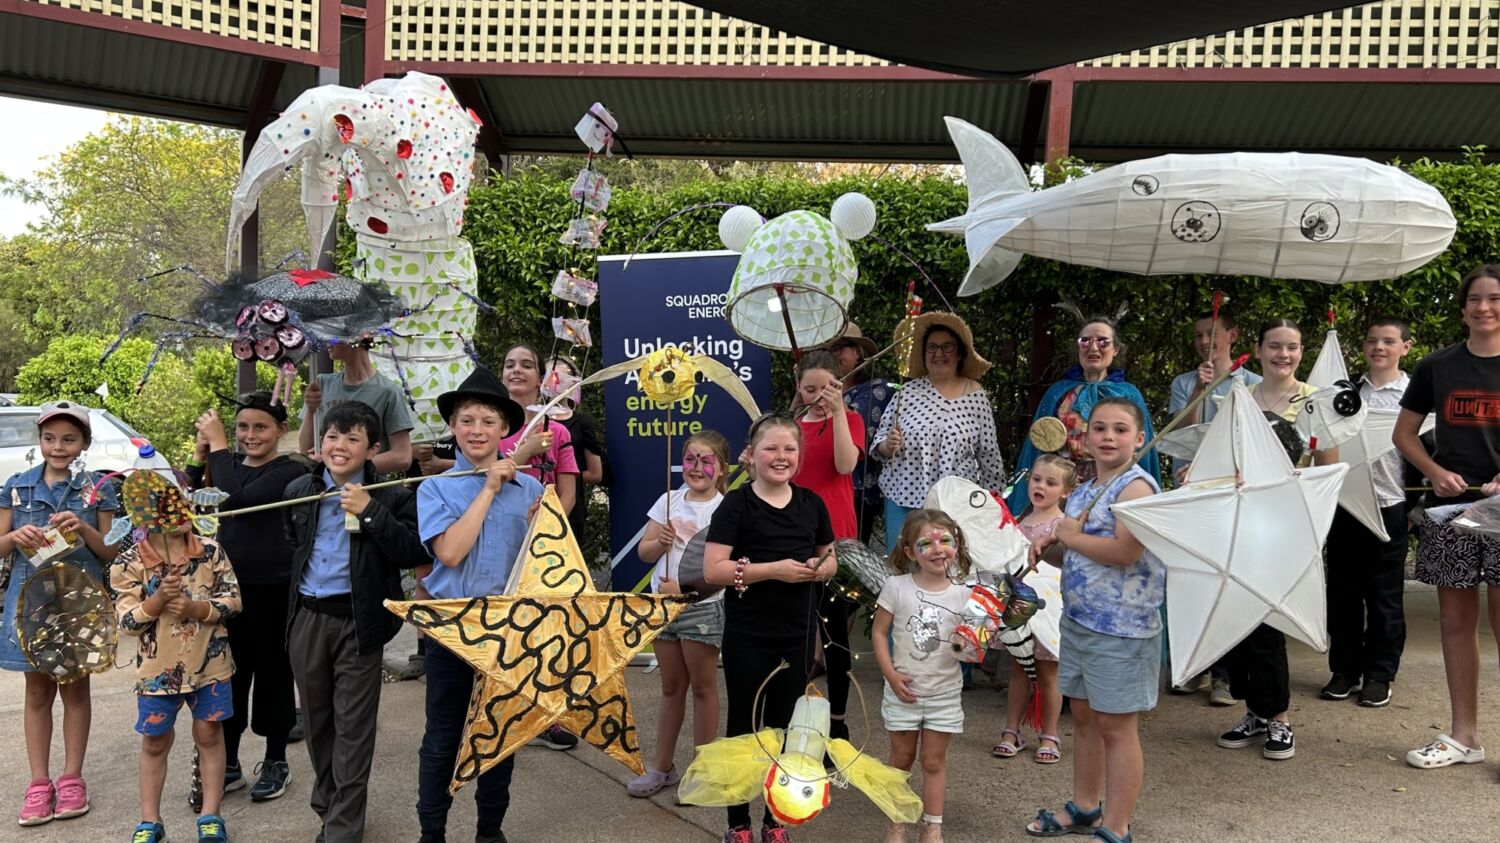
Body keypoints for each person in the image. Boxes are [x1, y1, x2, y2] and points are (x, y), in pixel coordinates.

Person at [283, 400, 426, 842]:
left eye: (352, 438)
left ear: (372, 448)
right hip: (308, 618)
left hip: (359, 622)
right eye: (332, 436)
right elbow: (293, 540)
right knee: (319, 723)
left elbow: (413, 552)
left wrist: (370, 511)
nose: (339, 446)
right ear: (320, 443)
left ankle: (343, 828)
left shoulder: (392, 496)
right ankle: (330, 804)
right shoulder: (299, 492)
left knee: (354, 727)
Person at [415, 367, 543, 843]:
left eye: (488, 421)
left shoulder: (530, 490)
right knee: (444, 737)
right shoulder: (435, 489)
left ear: (505, 430)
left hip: (509, 630)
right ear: (453, 427)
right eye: (467, 420)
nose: (476, 430)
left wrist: (541, 528)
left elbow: (540, 566)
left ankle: (490, 831)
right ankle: (433, 831)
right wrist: (488, 488)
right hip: (454, 627)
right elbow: (448, 553)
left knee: (500, 735)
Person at [1025, 398, 1162, 843]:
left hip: (1121, 630)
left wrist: (1070, 536)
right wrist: (1053, 547)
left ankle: (1116, 826)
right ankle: (1085, 807)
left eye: (1121, 430)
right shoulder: (1085, 489)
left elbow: (1125, 552)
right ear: (1084, 439)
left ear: (1139, 440)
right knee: (1083, 718)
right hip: (1081, 622)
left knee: (1116, 727)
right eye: (1100, 428)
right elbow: (1078, 553)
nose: (1108, 437)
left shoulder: (1136, 490)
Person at [704, 415, 836, 843]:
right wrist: (773, 570)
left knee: (785, 729)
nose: (781, 457)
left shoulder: (812, 504)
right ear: (753, 454)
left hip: (795, 634)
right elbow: (715, 569)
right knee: (744, 725)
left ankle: (774, 821)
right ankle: (737, 822)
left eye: (789, 449)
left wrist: (821, 569)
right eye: (771, 449)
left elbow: (830, 557)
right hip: (748, 635)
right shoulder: (736, 505)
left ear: (800, 455)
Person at [1217, 319, 1339, 762]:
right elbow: (1224, 457)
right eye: (1274, 346)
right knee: (1240, 620)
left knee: (1268, 624)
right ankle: (1253, 711)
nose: (1282, 355)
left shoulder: (1314, 401)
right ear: (1259, 349)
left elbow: (1328, 468)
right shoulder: (1240, 398)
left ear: (1301, 352)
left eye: (1291, 347)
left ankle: (1279, 718)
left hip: (1286, 528)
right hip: (1240, 524)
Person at [1396, 265, 1500, 771]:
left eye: (1495, 298)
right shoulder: (1437, 366)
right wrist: (1433, 471)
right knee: (1456, 622)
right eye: (1475, 299)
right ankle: (1465, 737)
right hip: (1450, 511)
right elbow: (1404, 435)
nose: (1484, 308)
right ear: (1462, 308)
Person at [0, 402, 119, 826]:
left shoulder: (98, 489)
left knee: (75, 689)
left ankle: (71, 778)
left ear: (84, 443)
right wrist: (14, 536)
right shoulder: (17, 487)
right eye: (50, 438)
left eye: (69, 438)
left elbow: (110, 550)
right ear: (40, 440)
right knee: (36, 694)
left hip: (79, 603)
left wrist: (85, 529)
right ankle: (37, 782)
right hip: (29, 603)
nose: (58, 446)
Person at [187, 395, 307, 803]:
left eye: (260, 428)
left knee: (274, 673)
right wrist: (200, 454)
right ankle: (230, 761)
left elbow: (239, 500)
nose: (249, 435)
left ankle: (276, 760)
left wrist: (219, 446)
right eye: (242, 428)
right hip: (227, 590)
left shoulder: (289, 471)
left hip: (274, 589)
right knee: (229, 676)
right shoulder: (227, 467)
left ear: (281, 432)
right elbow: (188, 499)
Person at [113, 483, 242, 843]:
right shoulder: (130, 562)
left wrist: (195, 608)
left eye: (184, 503)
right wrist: (155, 602)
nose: (180, 513)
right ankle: (150, 820)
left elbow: (233, 601)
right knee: (154, 741)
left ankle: (211, 814)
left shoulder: (211, 551)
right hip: (157, 674)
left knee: (209, 734)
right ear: (147, 517)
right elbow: (126, 622)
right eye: (168, 507)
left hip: (210, 667)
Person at [627, 431, 730, 798]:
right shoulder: (668, 501)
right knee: (671, 688)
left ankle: (702, 770)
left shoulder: (725, 509)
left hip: (701, 608)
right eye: (690, 459)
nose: (697, 467)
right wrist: (660, 542)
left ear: (721, 469)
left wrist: (685, 590)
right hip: (662, 609)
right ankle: (662, 767)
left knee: (703, 687)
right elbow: (644, 553)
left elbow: (723, 570)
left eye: (706, 461)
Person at [1165, 310, 1258, 703]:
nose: (1206, 341)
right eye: (1199, 335)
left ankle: (1225, 674)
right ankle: (1194, 666)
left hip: (1233, 494)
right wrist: (1196, 393)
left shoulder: (1253, 383)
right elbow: (1179, 431)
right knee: (1193, 578)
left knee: (1228, 580)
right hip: (1191, 491)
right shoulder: (1184, 382)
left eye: (1213, 333)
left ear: (1232, 335)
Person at [1320, 318, 1413, 709]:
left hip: (1390, 506)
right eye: (1372, 340)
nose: (1379, 347)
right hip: (1345, 507)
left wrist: (1418, 510)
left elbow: (1431, 451)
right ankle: (1344, 670)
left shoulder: (1414, 395)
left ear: (1405, 347)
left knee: (1384, 597)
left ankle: (1379, 674)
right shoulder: (1347, 391)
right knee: (1343, 594)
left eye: (1388, 341)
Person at [873, 509, 973, 843]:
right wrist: (889, 674)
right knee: (900, 760)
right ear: (908, 551)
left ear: (956, 542)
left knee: (933, 761)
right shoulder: (896, 586)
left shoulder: (965, 593)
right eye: (925, 543)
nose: (937, 549)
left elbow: (975, 643)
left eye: (945, 540)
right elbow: (878, 632)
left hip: (944, 693)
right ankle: (896, 822)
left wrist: (974, 642)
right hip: (903, 691)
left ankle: (932, 825)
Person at [873, 312, 1005, 554]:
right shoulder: (908, 392)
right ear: (923, 355)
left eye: (947, 347)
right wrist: (887, 445)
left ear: (960, 353)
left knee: (947, 567)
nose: (938, 353)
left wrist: (994, 502)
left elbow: (988, 453)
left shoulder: (976, 395)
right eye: (932, 348)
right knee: (904, 567)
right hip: (904, 496)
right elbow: (880, 441)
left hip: (954, 504)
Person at [1008, 316, 1158, 515]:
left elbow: (1143, 450)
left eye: (1103, 341)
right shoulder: (1058, 393)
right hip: (1062, 487)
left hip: (1113, 484)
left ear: (1116, 350)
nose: (1093, 347)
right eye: (1085, 341)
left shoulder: (1129, 395)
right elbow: (1038, 447)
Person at [792, 351, 864, 742]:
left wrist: (837, 413)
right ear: (798, 387)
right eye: (810, 388)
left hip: (834, 538)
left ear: (840, 385)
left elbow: (844, 465)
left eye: (827, 388)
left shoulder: (850, 420)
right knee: (796, 631)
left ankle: (838, 719)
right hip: (791, 538)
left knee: (834, 632)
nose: (818, 396)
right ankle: (794, 708)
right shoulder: (788, 427)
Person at [993, 454, 1074, 765]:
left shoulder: (1063, 527)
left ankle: (1049, 734)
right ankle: (1011, 730)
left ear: (1065, 491)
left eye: (1051, 483)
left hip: (1049, 611)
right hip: (1019, 612)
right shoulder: (1018, 522)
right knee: (1019, 671)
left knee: (1050, 674)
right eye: (1037, 479)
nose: (1041, 486)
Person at [300, 339, 415, 475]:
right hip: (325, 488)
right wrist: (311, 410)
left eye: (333, 336)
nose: (326, 342)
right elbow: (305, 450)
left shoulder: (388, 392)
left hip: (366, 490)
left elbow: (402, 457)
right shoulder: (321, 384)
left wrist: (339, 465)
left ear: (356, 337)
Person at [829, 323, 895, 544]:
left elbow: (855, 431)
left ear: (858, 352)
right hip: (822, 484)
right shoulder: (819, 390)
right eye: (828, 349)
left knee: (850, 563)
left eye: (841, 347)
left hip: (856, 490)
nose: (833, 354)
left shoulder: (877, 389)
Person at [543, 356, 610, 553]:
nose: (555, 380)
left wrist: (565, 477)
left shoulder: (582, 423)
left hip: (571, 508)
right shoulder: (531, 420)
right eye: (550, 374)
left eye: (562, 375)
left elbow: (596, 473)